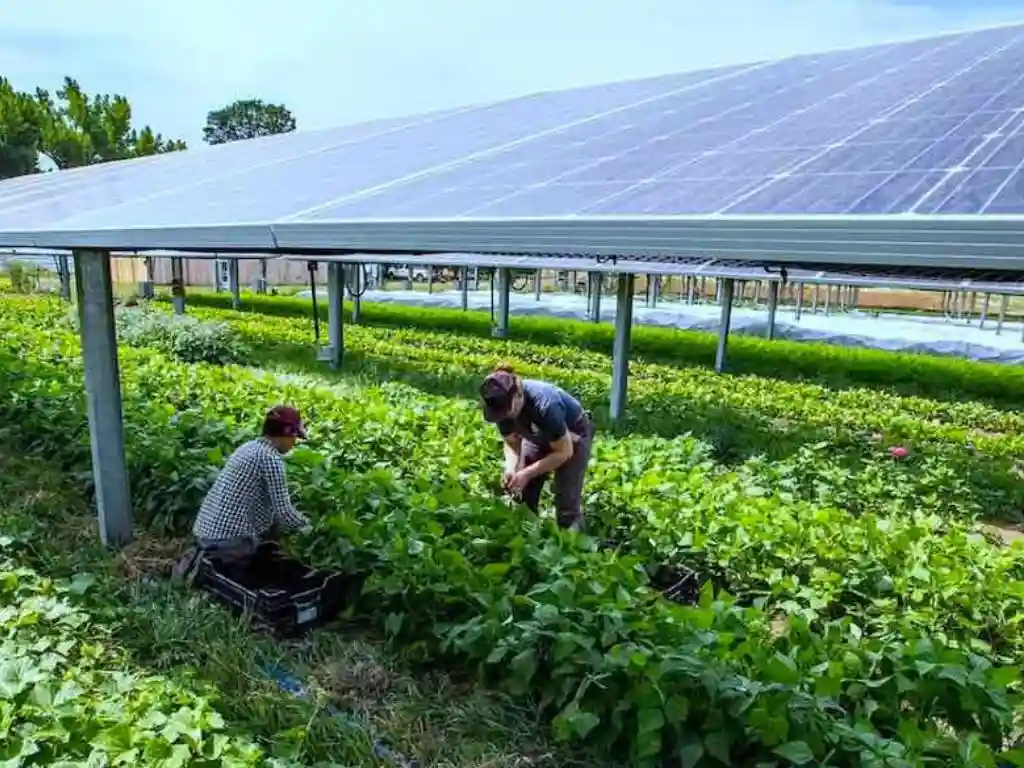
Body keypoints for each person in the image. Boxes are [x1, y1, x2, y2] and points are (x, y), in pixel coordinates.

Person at [172, 405, 311, 582]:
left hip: (204, 534)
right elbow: (284, 513)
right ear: (285, 434)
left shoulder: (248, 447)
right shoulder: (272, 460)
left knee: (266, 537)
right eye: (294, 436)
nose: (295, 442)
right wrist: (311, 529)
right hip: (228, 543)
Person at [480, 364, 594, 532]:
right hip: (535, 434)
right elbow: (511, 443)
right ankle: (528, 538)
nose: (504, 417)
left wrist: (526, 473)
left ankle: (573, 547)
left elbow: (564, 452)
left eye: (507, 412)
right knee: (523, 493)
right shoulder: (500, 405)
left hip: (572, 438)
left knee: (566, 502)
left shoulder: (545, 405)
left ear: (518, 395)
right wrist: (512, 468)